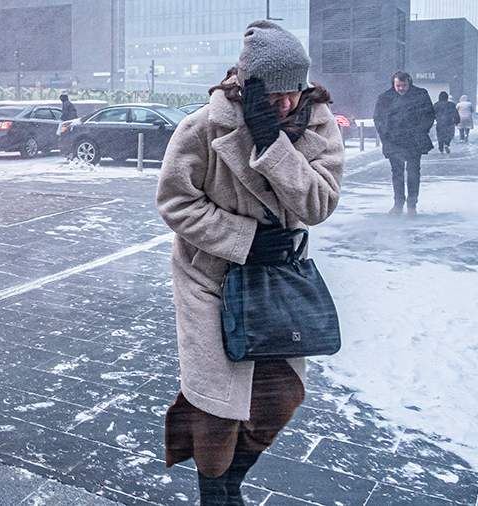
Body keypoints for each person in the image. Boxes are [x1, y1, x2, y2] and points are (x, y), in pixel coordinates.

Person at [157, 20, 343, 505]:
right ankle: (215, 491)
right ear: (246, 84)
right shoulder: (202, 127)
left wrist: (273, 146)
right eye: (274, 93)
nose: (285, 103)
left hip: (277, 283)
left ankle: (231, 479)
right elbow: (175, 202)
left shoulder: (317, 126)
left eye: (293, 91)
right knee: (216, 407)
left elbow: (318, 204)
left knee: (280, 397)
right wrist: (242, 238)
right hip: (210, 282)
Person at [373, 71, 435, 216]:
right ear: (393, 84)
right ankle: (398, 204)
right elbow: (378, 118)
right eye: (398, 85)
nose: (401, 88)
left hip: (414, 140)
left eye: (404, 85)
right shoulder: (385, 98)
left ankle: (412, 205)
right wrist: (386, 134)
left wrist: (420, 130)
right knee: (397, 173)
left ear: (410, 82)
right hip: (394, 141)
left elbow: (429, 114)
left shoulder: (420, 94)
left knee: (414, 172)